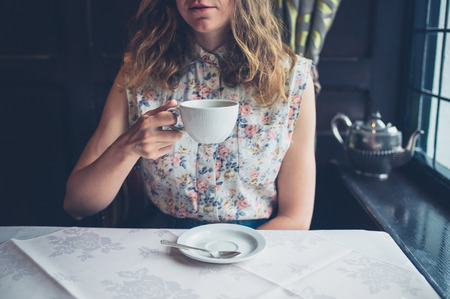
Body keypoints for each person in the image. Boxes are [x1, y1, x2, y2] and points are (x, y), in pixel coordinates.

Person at [64, 0, 316, 230]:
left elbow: (296, 218)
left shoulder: (293, 78)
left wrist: (234, 252)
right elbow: (77, 204)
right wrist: (128, 147)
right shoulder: (139, 72)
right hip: (163, 242)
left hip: (259, 242)